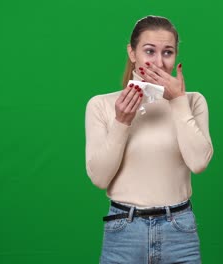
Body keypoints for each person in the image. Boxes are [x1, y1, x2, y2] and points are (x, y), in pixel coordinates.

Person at [85, 15, 214, 263]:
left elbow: (198, 163)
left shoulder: (193, 102)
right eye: (149, 51)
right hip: (123, 230)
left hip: (179, 230)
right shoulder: (101, 105)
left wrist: (177, 101)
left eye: (167, 52)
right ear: (132, 53)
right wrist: (121, 122)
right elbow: (100, 178)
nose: (158, 62)